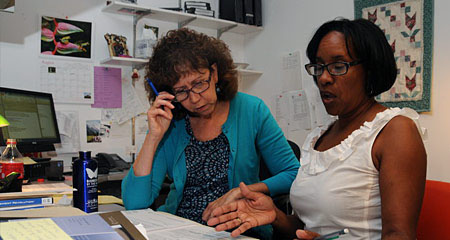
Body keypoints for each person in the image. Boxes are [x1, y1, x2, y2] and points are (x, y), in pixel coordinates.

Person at [207, 18, 427, 239]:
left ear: (370, 70)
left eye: (338, 67)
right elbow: (307, 227)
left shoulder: (395, 130)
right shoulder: (319, 137)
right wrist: (273, 214)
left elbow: (400, 235)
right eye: (318, 67)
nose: (323, 78)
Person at [121, 28, 300, 239]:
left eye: (199, 83)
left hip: (238, 230)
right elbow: (135, 203)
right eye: (181, 91)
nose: (195, 99)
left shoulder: (251, 110)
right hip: (177, 230)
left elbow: (294, 173)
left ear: (214, 73)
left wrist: (244, 191)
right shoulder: (172, 123)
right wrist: (153, 136)